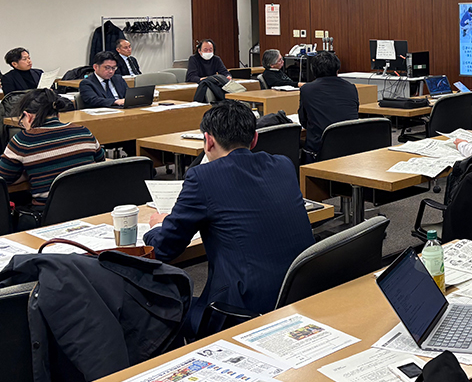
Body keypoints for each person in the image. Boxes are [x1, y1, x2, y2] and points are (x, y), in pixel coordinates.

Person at [144, 100, 314, 336]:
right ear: (254, 139)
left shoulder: (202, 177)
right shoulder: (283, 165)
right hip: (300, 292)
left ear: (208, 141)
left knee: (151, 309)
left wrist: (158, 226)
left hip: (239, 310)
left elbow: (165, 248)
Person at [0, 89, 105, 206]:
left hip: (49, 212)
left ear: (28, 116)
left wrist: (28, 172)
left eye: (21, 121)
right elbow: (100, 161)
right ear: (57, 113)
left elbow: (3, 177)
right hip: (91, 206)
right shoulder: (84, 131)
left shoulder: (24, 140)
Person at [298, 51, 359, 157]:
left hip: (318, 150)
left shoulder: (307, 89)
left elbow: (303, 120)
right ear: (337, 69)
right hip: (350, 147)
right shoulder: (351, 88)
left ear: (313, 70)